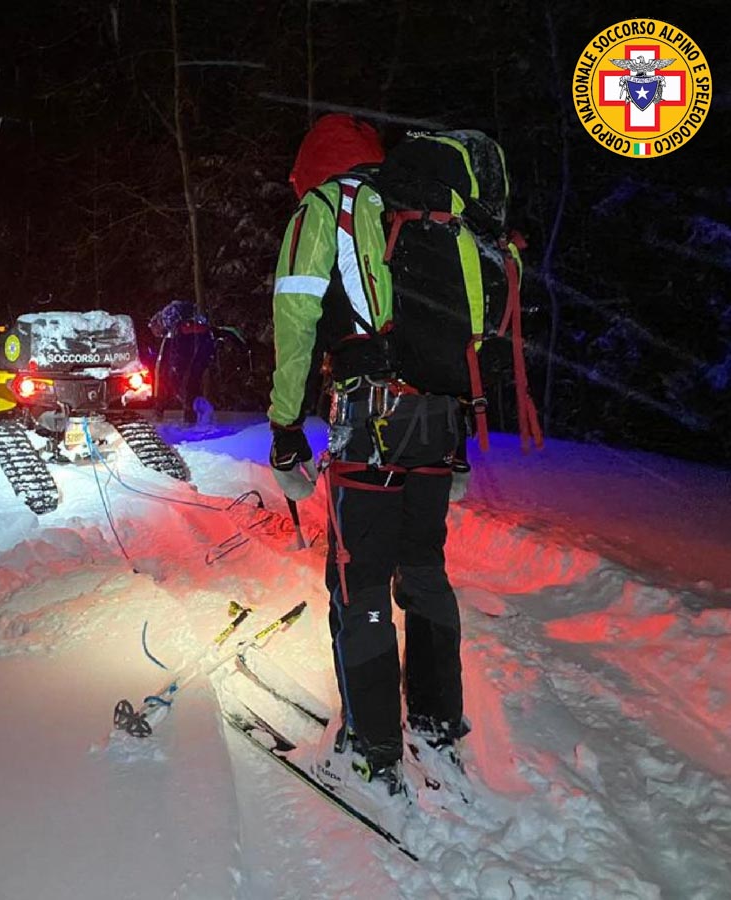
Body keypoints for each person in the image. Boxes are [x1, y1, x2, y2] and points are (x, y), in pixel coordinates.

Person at [267, 115, 469, 796]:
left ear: (311, 167)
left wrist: (285, 425)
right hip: (440, 421)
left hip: (372, 420)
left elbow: (296, 323)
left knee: (362, 584)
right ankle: (440, 725)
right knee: (425, 570)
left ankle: (372, 752)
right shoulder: (420, 211)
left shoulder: (324, 209)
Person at [149, 299, 215, 424]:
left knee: (184, 383)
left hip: (189, 349)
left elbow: (172, 354)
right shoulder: (177, 322)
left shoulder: (171, 321)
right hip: (198, 348)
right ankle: (191, 414)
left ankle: (190, 415)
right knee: (190, 382)